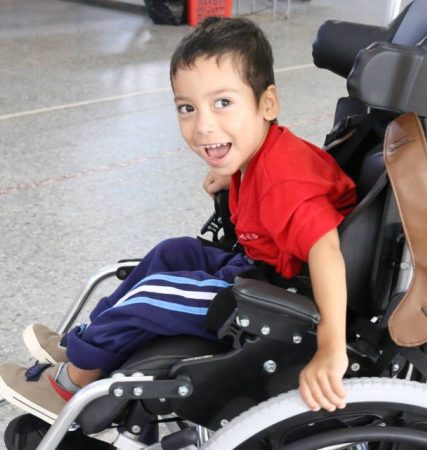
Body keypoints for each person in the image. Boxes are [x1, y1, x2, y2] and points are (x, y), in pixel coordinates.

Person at [0, 16, 356, 423]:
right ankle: (89, 343)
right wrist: (235, 171)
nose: (203, 126)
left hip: (278, 297)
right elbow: (276, 179)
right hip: (258, 265)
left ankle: (70, 384)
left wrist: (331, 344)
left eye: (223, 103)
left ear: (267, 104)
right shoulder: (265, 153)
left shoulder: (282, 180)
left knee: (155, 294)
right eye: (187, 108)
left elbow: (325, 249)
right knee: (173, 253)